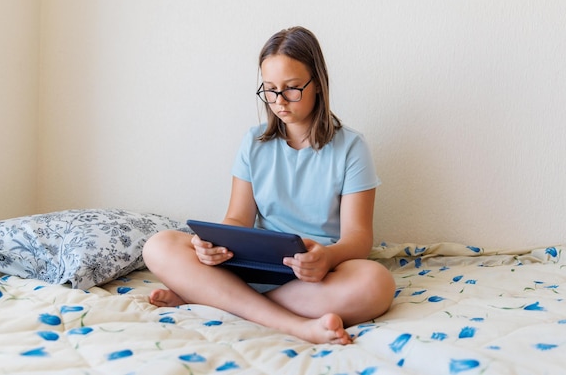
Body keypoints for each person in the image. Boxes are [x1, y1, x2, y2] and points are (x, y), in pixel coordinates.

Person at [142, 26, 395, 345]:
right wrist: (213, 245)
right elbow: (237, 219)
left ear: (317, 83)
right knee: (159, 245)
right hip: (252, 265)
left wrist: (327, 258)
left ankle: (214, 298)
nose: (279, 101)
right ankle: (295, 325)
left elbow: (359, 238)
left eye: (291, 89)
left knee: (376, 284)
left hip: (314, 276)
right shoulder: (254, 142)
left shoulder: (351, 148)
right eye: (270, 90)